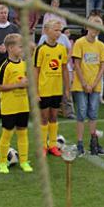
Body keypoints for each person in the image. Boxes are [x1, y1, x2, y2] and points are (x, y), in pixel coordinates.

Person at [0, 34, 33, 174]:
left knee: (23, 133)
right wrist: (18, 85)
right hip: (9, 106)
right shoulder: (5, 66)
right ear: (10, 48)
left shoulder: (24, 64)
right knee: (7, 134)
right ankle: (2, 162)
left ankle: (24, 161)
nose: (23, 49)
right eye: (20, 47)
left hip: (23, 105)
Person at [71, 13, 104, 156]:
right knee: (81, 112)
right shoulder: (80, 43)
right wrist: (85, 83)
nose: (95, 30)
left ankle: (94, 142)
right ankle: (80, 143)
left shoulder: (101, 45)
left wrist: (94, 83)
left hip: (95, 86)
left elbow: (102, 67)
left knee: (93, 113)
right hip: (81, 85)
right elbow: (77, 65)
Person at [34, 19, 69, 157]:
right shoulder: (40, 49)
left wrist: (67, 88)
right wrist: (35, 91)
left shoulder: (62, 49)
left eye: (60, 30)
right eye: (55, 30)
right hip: (44, 89)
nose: (58, 33)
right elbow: (36, 71)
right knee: (44, 118)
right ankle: (43, 146)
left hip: (56, 89)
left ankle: (53, 145)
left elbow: (64, 69)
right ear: (47, 31)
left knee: (54, 117)